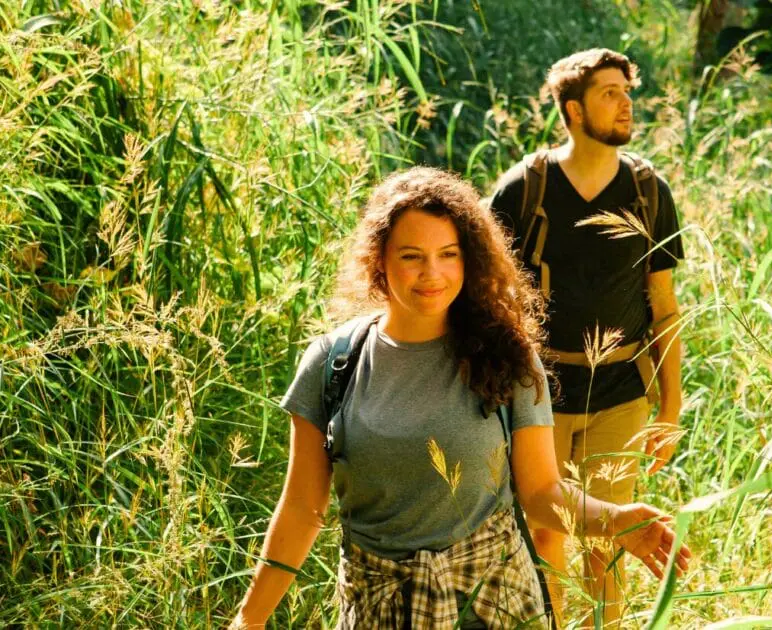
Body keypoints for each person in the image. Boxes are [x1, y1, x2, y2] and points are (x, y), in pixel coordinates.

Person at [231, 167, 689, 629]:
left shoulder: (507, 357)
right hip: (378, 606)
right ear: (379, 260)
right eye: (412, 256)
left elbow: (540, 492)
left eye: (448, 254)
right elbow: (301, 510)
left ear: (469, 260)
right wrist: (248, 622)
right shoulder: (333, 363)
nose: (432, 274)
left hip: (492, 602)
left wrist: (616, 520)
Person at [487, 48, 687, 626]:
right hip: (537, 394)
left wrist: (671, 406)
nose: (626, 103)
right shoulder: (525, 188)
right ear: (573, 110)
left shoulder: (649, 191)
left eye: (628, 91)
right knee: (547, 537)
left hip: (621, 394)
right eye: (609, 93)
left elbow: (664, 307)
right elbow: (484, 294)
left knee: (609, 539)